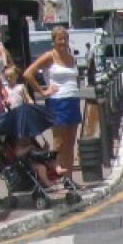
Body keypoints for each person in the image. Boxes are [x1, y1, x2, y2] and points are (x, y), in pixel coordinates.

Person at [23, 25, 82, 182]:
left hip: (73, 100)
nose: (62, 42)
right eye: (59, 39)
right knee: (59, 142)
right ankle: (53, 176)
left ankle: (69, 179)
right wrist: (42, 91)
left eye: (65, 38)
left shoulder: (71, 58)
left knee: (70, 142)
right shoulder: (49, 56)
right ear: (54, 41)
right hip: (57, 101)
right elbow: (28, 73)